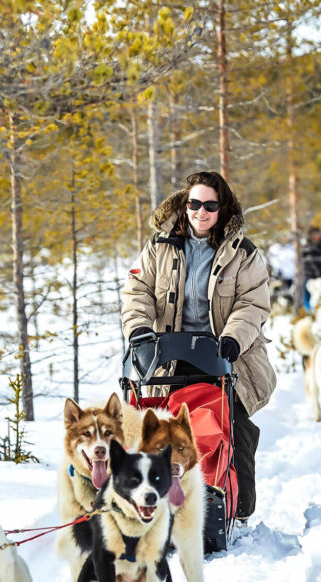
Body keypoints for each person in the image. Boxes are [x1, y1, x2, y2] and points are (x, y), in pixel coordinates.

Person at [121, 170, 276, 521]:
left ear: (222, 209)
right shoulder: (158, 248)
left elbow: (252, 303)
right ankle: (152, 495)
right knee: (157, 428)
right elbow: (136, 292)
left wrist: (233, 337)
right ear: (184, 204)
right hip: (168, 358)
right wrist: (140, 331)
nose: (200, 212)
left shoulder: (243, 254)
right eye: (194, 204)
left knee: (227, 423)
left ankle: (230, 498)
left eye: (209, 205)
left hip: (225, 358)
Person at [301, 226, 321, 310]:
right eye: (314, 234)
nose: (317, 236)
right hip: (309, 279)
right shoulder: (306, 249)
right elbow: (306, 266)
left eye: (318, 234)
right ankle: (309, 311)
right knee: (311, 297)